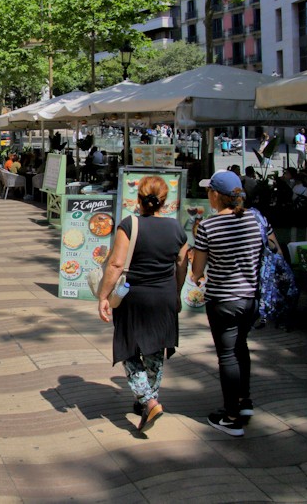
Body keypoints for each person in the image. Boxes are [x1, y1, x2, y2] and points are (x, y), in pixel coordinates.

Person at [97, 176, 188, 433]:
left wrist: (103, 296)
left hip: (134, 298)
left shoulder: (129, 225)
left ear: (139, 198)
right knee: (155, 350)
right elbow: (182, 264)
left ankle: (148, 400)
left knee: (128, 349)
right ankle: (148, 400)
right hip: (165, 297)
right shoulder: (177, 229)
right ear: (163, 201)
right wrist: (177, 292)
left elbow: (115, 264)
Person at [192, 170, 278, 437]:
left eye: (209, 192)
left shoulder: (208, 226)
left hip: (223, 301)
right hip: (250, 299)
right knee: (241, 347)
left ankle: (231, 417)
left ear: (216, 195)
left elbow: (197, 271)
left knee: (227, 355)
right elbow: (275, 248)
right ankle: (244, 401)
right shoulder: (257, 219)